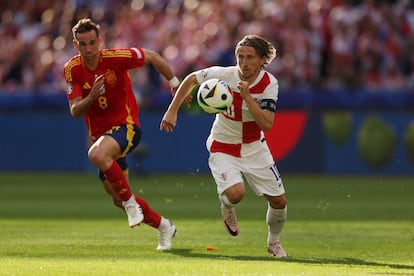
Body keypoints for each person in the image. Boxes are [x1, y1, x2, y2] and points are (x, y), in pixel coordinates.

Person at [160, 35, 288, 258]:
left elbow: (266, 123)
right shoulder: (224, 75)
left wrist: (247, 97)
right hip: (223, 145)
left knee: (279, 202)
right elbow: (191, 78)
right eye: (240, 57)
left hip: (254, 147)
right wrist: (173, 110)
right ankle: (227, 207)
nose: (244, 63)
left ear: (261, 60)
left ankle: (273, 242)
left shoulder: (269, 84)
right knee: (236, 194)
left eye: (250, 57)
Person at [63, 18, 179, 250]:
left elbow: (153, 57)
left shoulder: (116, 58)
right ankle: (164, 226)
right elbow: (75, 110)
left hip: (126, 127)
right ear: (76, 45)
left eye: (92, 43)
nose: (88, 49)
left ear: (100, 41)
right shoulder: (71, 69)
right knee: (117, 197)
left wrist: (175, 84)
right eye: (83, 44)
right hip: (102, 137)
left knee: (96, 155)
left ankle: (130, 204)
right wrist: (91, 96)